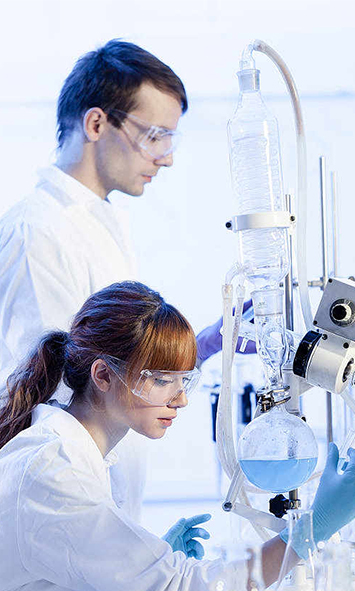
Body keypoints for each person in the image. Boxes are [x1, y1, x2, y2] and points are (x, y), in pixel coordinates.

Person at [0, 280, 355, 591]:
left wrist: (136, 564)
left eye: (184, 380)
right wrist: (309, 531)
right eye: (163, 380)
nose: (181, 399)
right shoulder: (54, 471)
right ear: (102, 376)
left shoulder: (66, 444)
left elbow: (65, 577)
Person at [0, 39, 236, 524]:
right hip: (66, 512)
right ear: (96, 124)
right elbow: (49, 387)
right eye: (154, 136)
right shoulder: (40, 232)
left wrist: (200, 348)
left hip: (99, 509)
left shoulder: (94, 222)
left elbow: (112, 355)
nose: (166, 158)